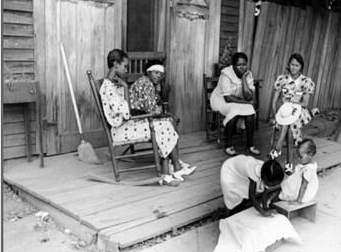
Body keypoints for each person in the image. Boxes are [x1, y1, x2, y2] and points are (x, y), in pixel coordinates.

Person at [99, 49, 194, 186]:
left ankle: (170, 169)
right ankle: (168, 171)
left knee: (166, 123)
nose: (126, 70)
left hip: (127, 124)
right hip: (120, 129)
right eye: (125, 66)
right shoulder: (108, 88)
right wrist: (125, 87)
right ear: (115, 64)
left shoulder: (113, 83)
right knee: (165, 125)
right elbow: (126, 113)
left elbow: (126, 109)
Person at [129, 60, 196, 178]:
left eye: (161, 74)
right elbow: (152, 110)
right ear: (148, 72)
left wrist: (160, 91)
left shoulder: (149, 83)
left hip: (143, 116)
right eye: (156, 72)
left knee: (171, 120)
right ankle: (175, 164)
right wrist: (169, 115)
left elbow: (156, 106)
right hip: (137, 119)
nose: (159, 76)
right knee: (171, 121)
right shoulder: (146, 83)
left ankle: (173, 163)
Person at [210, 52, 260, 157]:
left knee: (250, 110)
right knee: (234, 110)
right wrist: (247, 102)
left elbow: (249, 96)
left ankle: (250, 145)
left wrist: (243, 80)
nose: (242, 67)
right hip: (220, 99)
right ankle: (228, 145)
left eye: (244, 64)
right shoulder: (226, 74)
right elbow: (228, 98)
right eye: (239, 65)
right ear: (233, 66)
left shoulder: (248, 74)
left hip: (237, 100)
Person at [268, 53, 315, 159]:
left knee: (289, 121)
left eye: (297, 65)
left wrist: (291, 103)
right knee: (288, 123)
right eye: (292, 64)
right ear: (289, 65)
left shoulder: (306, 82)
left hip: (299, 111)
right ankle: (288, 163)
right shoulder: (282, 79)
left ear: (301, 67)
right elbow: (274, 101)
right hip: (283, 111)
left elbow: (305, 103)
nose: (294, 67)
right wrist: (275, 116)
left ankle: (278, 147)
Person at [220, 155, 285, 217]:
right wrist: (263, 212)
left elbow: (265, 190)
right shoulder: (253, 172)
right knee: (232, 197)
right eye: (273, 184)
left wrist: (265, 207)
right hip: (231, 171)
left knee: (242, 192)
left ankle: (235, 208)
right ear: (265, 178)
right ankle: (226, 216)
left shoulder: (267, 171)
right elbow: (252, 197)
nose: (273, 186)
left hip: (241, 171)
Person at [274, 138, 319, 204]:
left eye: (301, 157)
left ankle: (279, 198)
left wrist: (298, 201)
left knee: (287, 187)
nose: (299, 159)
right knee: (289, 182)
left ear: (310, 155)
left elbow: (303, 187)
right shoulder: (312, 165)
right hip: (307, 190)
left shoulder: (308, 170)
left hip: (304, 194)